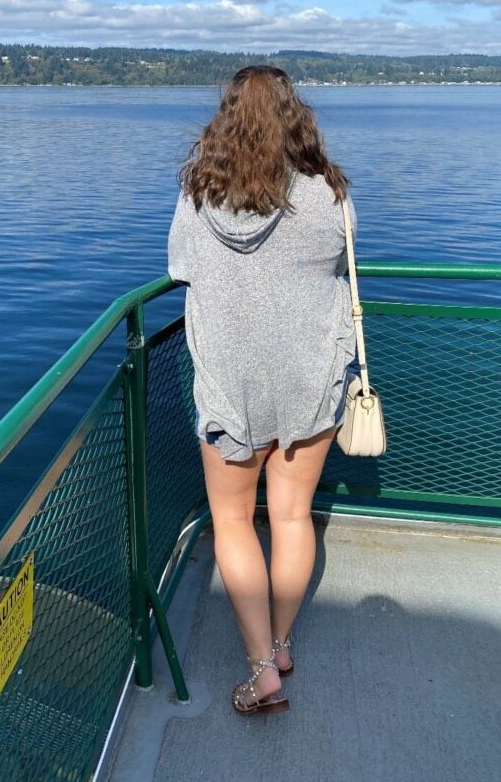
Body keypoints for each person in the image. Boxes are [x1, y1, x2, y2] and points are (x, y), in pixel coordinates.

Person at [166, 65, 357, 715]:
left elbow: (179, 267)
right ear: (295, 117)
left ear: (224, 120)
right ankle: (280, 644)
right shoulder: (328, 192)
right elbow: (341, 262)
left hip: (231, 381)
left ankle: (259, 669)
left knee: (232, 520)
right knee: (293, 516)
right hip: (311, 378)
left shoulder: (199, 195)